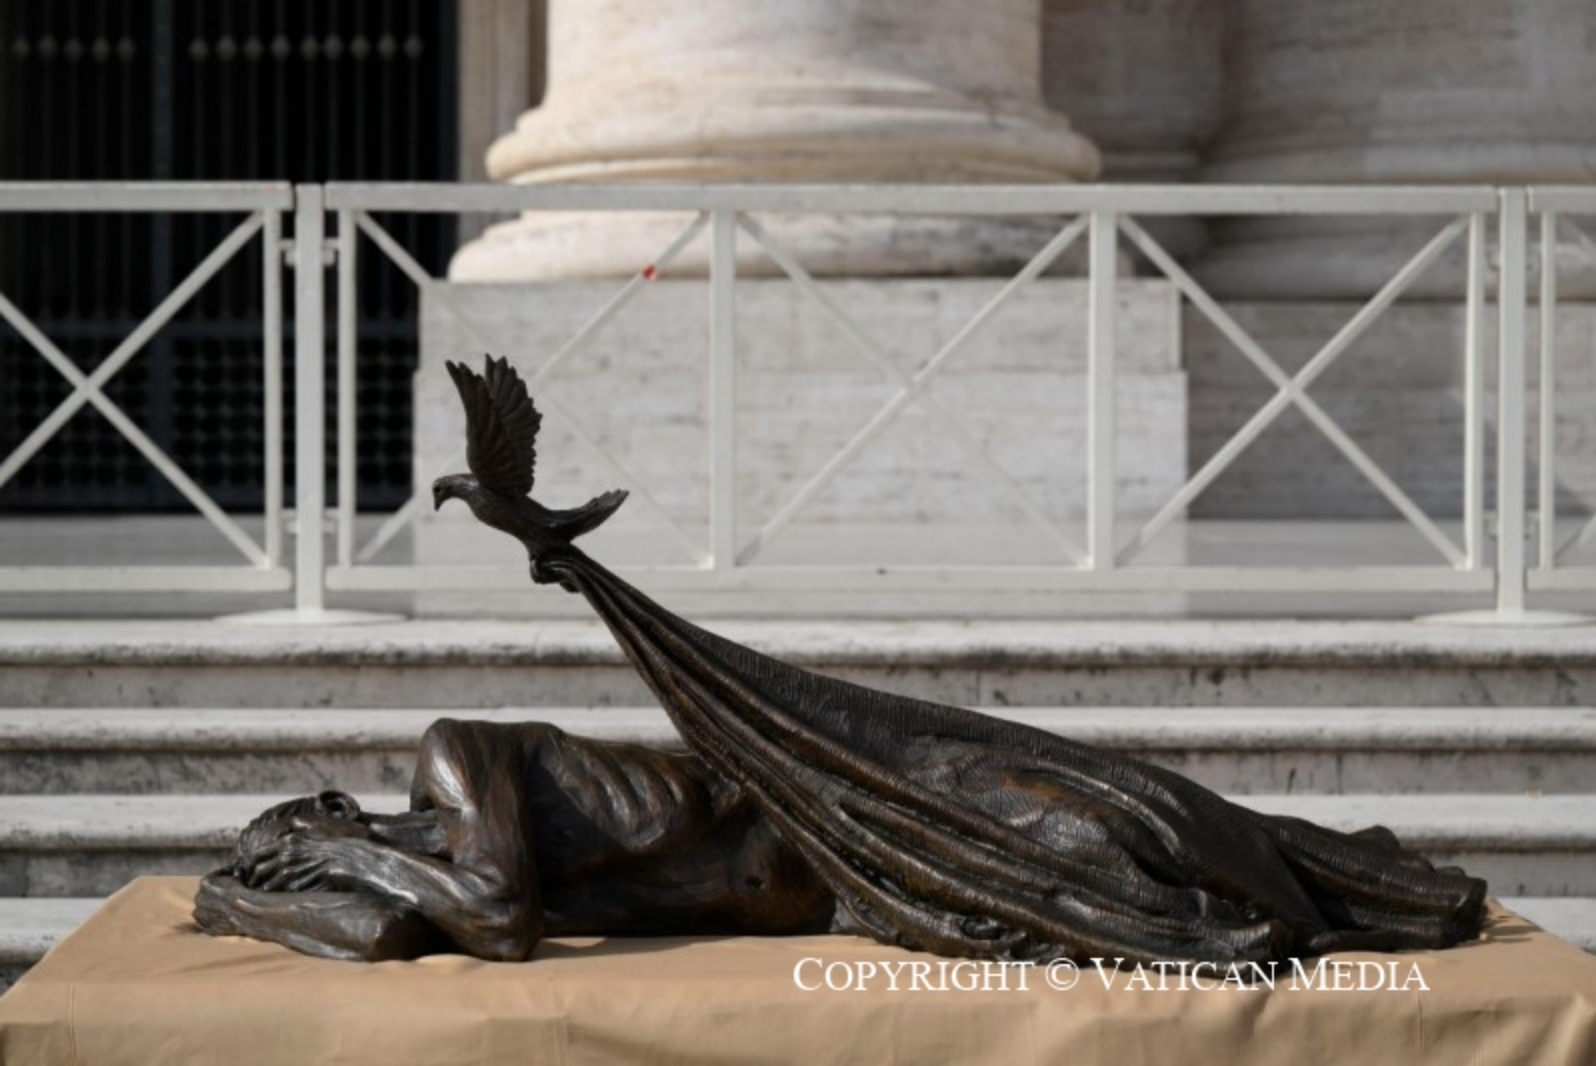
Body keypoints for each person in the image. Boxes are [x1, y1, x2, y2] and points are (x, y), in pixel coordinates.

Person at [194, 718, 837, 962]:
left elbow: (502, 919)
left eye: (294, 845)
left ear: (336, 807)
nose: (301, 870)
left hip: (825, 818)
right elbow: (380, 933)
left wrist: (342, 852)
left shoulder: (455, 754)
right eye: (284, 875)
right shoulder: (429, 892)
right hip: (820, 906)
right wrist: (242, 907)